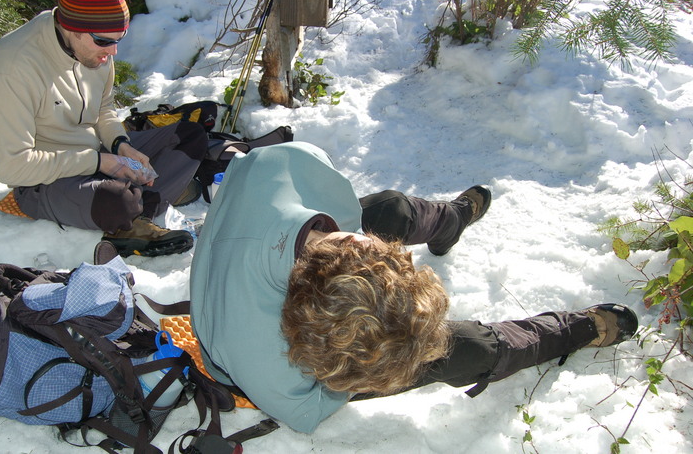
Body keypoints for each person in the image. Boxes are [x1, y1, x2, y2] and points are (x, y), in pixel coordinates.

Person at [189, 142, 638, 433]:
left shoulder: (281, 167)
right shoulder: (267, 360)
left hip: (255, 239)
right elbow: (304, 410)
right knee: (462, 347)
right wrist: (376, 367)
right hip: (247, 338)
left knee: (391, 209)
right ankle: (566, 330)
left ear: (360, 244)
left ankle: (451, 220)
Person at [0, 0, 208, 257]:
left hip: (96, 154)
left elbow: (103, 110)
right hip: (46, 179)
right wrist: (100, 162)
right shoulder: (12, 68)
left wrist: (121, 146)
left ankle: (137, 210)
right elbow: (12, 167)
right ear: (72, 27)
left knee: (190, 136)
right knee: (115, 201)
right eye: (103, 41)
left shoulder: (95, 48)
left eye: (119, 39)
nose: (112, 52)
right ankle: (133, 207)